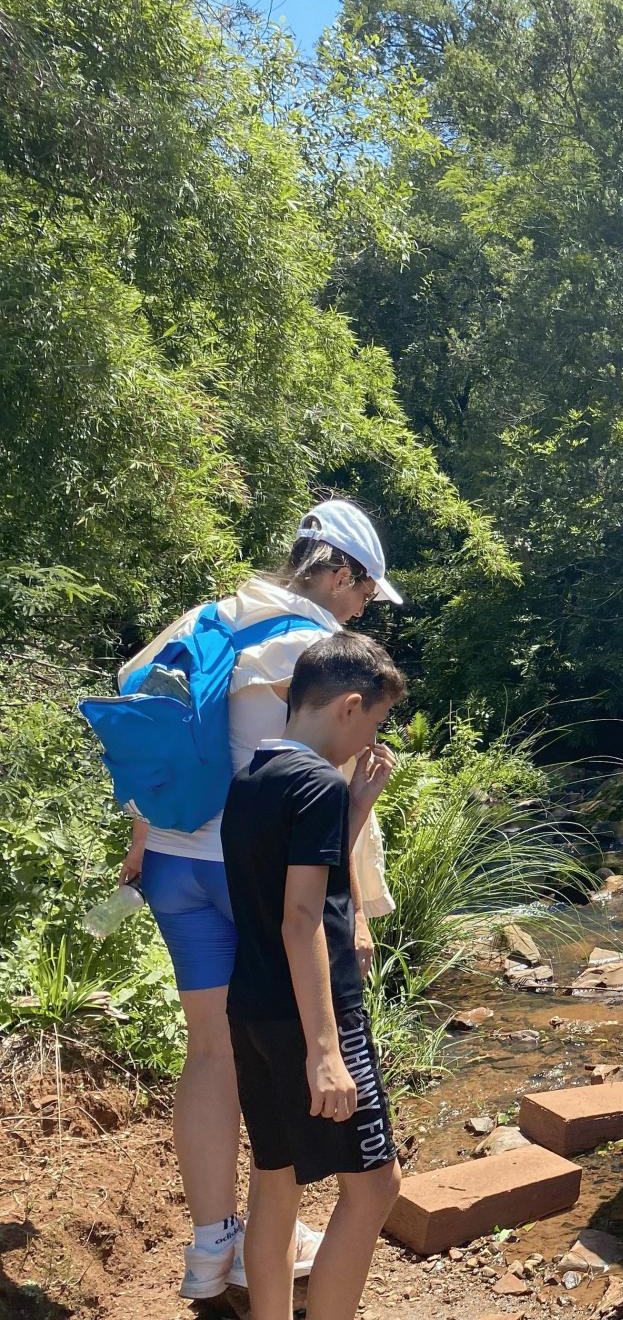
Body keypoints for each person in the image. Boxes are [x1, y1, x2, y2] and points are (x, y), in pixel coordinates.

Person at [110, 499, 402, 1298]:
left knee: (209, 1049)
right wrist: (364, 915)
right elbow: (326, 793)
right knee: (280, 1029)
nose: (364, 606)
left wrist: (143, 834)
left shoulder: (210, 617)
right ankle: (275, 1224)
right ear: (336, 571)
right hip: (253, 871)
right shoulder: (317, 648)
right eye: (366, 590)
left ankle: (214, 1248)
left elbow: (144, 704)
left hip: (174, 858)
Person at [222, 633, 405, 1320]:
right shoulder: (318, 784)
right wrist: (327, 1051)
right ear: (350, 707)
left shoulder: (253, 779)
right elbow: (301, 921)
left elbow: (290, 882)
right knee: (375, 1188)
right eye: (375, 722)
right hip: (311, 1017)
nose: (371, 738)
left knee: (275, 1183)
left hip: (254, 1010)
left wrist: (355, 811)